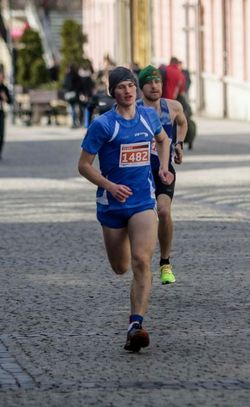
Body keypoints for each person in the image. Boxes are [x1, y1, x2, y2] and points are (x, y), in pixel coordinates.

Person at [77, 66, 174, 352]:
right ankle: (128, 242)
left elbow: (163, 140)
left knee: (142, 260)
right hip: (113, 205)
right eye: (121, 87)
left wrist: (164, 168)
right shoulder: (103, 125)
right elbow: (83, 165)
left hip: (143, 201)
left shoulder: (148, 116)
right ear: (113, 92)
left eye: (131, 85)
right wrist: (110, 186)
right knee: (120, 267)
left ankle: (135, 325)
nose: (128, 90)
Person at [137, 65, 187, 285]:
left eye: (157, 81)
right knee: (142, 218)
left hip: (164, 170)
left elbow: (183, 123)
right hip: (139, 173)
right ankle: (141, 260)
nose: (154, 86)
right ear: (141, 87)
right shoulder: (134, 110)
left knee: (164, 212)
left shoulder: (173, 107)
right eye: (149, 82)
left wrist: (179, 144)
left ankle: (165, 262)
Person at [62, 64, 82, 128]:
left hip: (71, 94)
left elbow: (65, 85)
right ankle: (75, 122)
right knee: (74, 109)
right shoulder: (76, 76)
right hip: (74, 94)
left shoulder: (68, 76)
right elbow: (79, 85)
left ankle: (74, 123)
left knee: (72, 109)